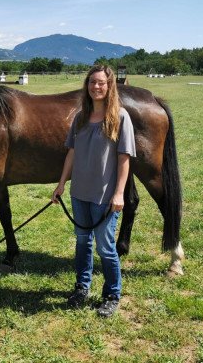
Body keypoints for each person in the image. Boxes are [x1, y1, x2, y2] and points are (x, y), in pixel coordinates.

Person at [52, 64, 136, 318]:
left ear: (110, 86)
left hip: (105, 196)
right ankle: (82, 286)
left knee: (105, 247)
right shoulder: (80, 118)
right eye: (92, 82)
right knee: (82, 242)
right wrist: (61, 183)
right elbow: (72, 153)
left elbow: (124, 159)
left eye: (101, 83)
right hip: (80, 193)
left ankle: (112, 293)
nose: (96, 87)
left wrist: (119, 193)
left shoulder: (120, 117)